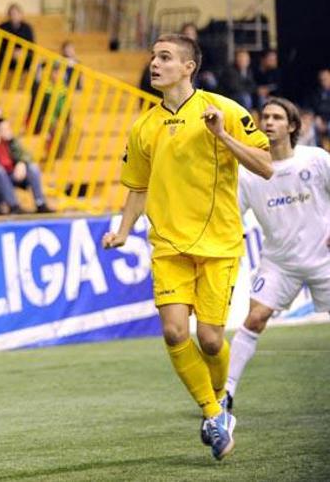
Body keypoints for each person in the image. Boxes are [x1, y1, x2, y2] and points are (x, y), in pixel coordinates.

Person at [101, 33, 272, 460]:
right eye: (153, 57)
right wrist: (123, 230)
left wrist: (223, 136)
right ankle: (213, 414)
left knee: (211, 341)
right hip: (168, 245)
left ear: (188, 67)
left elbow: (265, 166)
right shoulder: (143, 126)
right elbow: (137, 186)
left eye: (165, 57)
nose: (155, 64)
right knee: (175, 331)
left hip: (219, 244)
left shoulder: (224, 109)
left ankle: (221, 401)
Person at [225, 98, 330, 405]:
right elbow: (232, 217)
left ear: (292, 125)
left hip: (323, 258)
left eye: (277, 117)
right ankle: (225, 391)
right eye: (265, 117)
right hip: (279, 263)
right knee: (255, 318)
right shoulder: (248, 173)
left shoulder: (315, 159)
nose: (269, 122)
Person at [0, 117, 53, 213]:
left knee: (33, 167)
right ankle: (14, 206)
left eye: (9, 128)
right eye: (4, 129)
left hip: (16, 175)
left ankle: (40, 203)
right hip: (1, 177)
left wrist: (21, 163)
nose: (8, 131)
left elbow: (27, 155)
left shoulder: (12, 142)